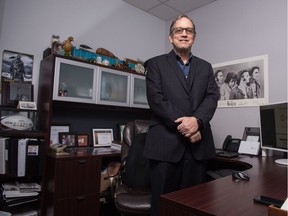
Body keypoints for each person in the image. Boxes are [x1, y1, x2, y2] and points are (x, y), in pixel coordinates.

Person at [144, 15, 220, 216]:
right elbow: (156, 100)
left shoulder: (206, 67)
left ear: (194, 37)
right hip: (165, 147)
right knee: (163, 207)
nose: (184, 34)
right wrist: (188, 127)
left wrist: (198, 121)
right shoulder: (155, 64)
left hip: (198, 148)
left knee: (192, 205)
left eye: (189, 30)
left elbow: (212, 97)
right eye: (179, 30)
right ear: (171, 37)